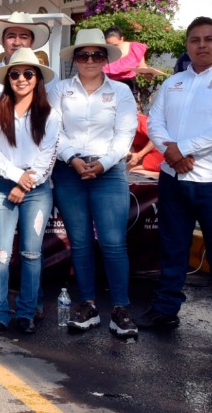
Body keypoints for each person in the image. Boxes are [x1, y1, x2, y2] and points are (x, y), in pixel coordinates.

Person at [142, 17, 212, 345]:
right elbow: (155, 122)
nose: (201, 45)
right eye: (195, 40)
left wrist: (182, 149)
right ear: (187, 45)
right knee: (172, 247)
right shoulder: (173, 83)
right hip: (173, 178)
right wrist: (171, 153)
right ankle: (165, 308)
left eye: (208, 39)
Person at [51, 28, 140, 339]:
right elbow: (53, 129)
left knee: (113, 243)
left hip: (109, 170)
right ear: (75, 59)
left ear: (105, 59)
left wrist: (104, 163)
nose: (89, 60)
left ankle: (120, 308)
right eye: (83, 55)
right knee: (80, 242)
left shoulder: (121, 91)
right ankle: (87, 305)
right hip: (68, 170)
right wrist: (72, 158)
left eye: (96, 55)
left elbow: (125, 133)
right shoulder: (60, 89)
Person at [0, 48, 60, 335]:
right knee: (0, 254)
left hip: (37, 188)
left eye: (28, 73)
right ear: (8, 79)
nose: (22, 79)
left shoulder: (50, 114)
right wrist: (17, 178)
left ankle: (27, 313)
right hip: (3, 183)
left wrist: (25, 184)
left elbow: (48, 156)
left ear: (37, 78)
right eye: (15, 74)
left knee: (31, 254)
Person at [0, 12, 51, 95]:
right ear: (2, 41)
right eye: (11, 36)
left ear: (32, 42)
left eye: (23, 37)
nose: (17, 43)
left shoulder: (47, 76)